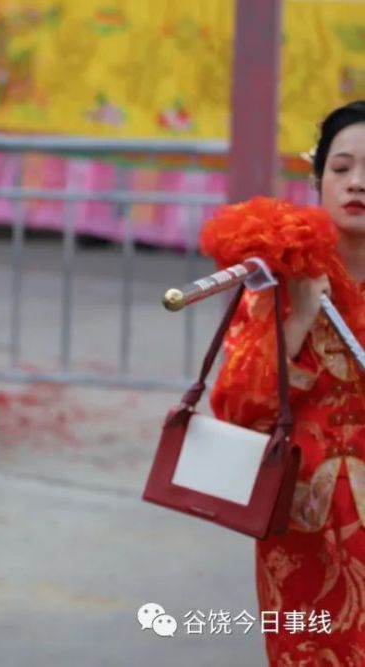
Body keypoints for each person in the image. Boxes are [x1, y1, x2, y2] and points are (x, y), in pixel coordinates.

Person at [211, 100, 365, 664]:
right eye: (342, 167)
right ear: (317, 178)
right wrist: (298, 317)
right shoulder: (276, 282)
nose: (358, 184)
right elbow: (235, 405)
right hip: (305, 523)